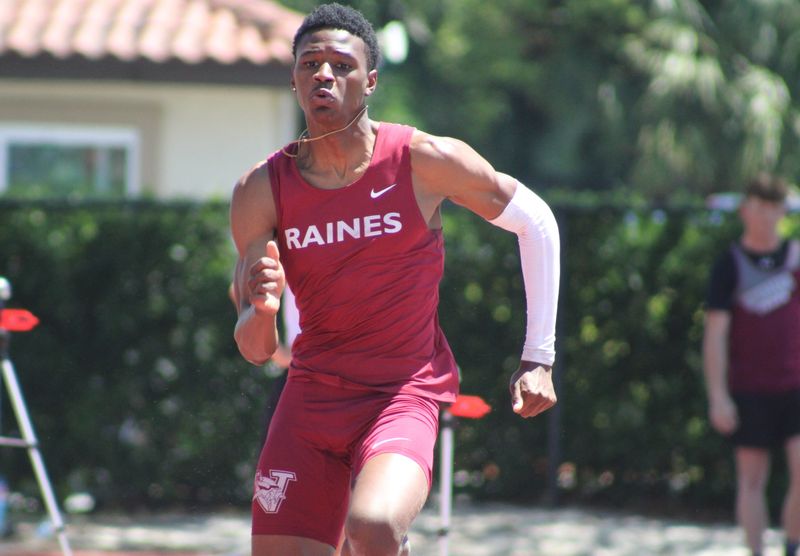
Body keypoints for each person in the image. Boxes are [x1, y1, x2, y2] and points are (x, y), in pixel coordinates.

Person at [229, 4, 560, 555]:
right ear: (293, 80)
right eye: (310, 64)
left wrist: (539, 357)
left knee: (374, 528)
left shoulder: (422, 159)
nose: (324, 75)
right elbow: (256, 349)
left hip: (400, 395)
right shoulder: (261, 190)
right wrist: (260, 313)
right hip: (310, 400)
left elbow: (537, 221)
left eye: (341, 64)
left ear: (371, 80)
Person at [703, 174, 800, 556]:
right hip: (750, 388)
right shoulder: (728, 265)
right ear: (745, 210)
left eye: (773, 207)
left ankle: (792, 546)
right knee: (752, 480)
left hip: (796, 385)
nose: (765, 216)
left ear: (782, 212)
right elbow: (715, 336)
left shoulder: (796, 259)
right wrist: (718, 396)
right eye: (758, 207)